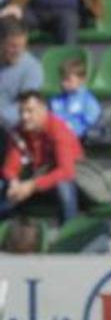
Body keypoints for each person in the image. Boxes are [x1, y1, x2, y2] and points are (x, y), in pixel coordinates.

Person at [0, 89, 82, 223]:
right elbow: (9, 167)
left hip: (67, 183)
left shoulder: (59, 129)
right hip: (35, 181)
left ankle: (68, 232)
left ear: (43, 110)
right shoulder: (19, 131)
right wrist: (13, 182)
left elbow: (66, 171)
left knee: (64, 186)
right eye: (21, 112)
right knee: (4, 185)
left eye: (29, 111)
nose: (24, 116)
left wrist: (32, 185)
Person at [0, 17, 41, 129]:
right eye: (13, 46)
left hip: (10, 129)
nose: (18, 51)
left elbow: (26, 106)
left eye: (22, 46)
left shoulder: (32, 68)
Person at [47, 58, 100, 140]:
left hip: (77, 140)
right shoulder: (55, 101)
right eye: (62, 79)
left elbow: (90, 123)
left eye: (68, 80)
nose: (63, 83)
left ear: (81, 80)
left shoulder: (88, 101)